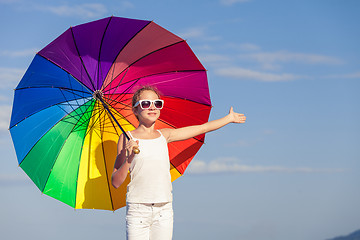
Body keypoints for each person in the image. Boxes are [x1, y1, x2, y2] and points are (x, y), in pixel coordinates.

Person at [111, 85, 246, 240]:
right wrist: (129, 159)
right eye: (146, 103)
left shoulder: (165, 135)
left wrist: (228, 119)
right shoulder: (126, 138)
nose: (152, 107)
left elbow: (201, 128)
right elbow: (116, 182)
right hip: (138, 209)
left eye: (157, 103)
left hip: (164, 209)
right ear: (135, 110)